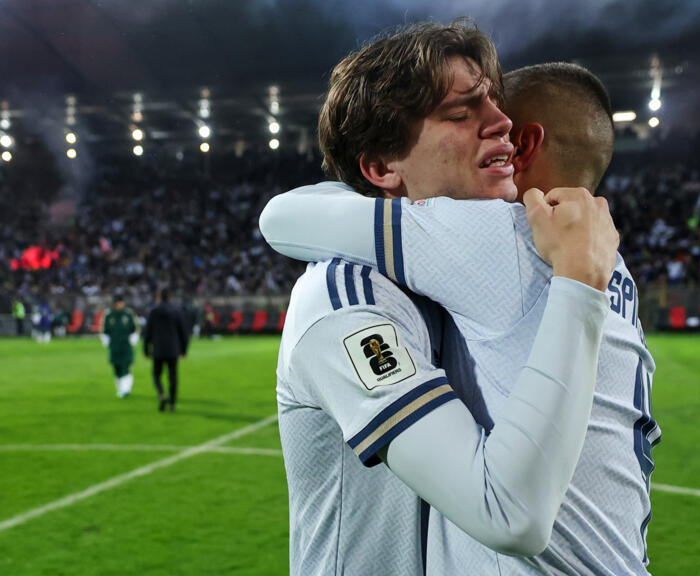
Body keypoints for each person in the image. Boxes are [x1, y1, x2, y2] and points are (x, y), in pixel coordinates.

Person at [261, 46, 658, 576]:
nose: (500, 124)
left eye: (496, 105)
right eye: (461, 112)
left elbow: (282, 216)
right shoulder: (345, 294)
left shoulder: (503, 241)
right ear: (380, 167)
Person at [143, 288, 189, 412]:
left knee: (156, 375)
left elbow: (147, 332)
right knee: (173, 376)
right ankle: (172, 404)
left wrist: (146, 350)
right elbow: (184, 332)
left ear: (159, 297)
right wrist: (184, 350)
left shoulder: (153, 311)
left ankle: (162, 393)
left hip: (158, 349)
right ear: (170, 296)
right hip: (173, 349)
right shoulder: (177, 311)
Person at [101, 293, 139, 398]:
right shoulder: (108, 315)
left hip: (126, 346)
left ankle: (126, 389)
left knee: (126, 367)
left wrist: (133, 340)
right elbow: (105, 331)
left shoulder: (128, 314)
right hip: (114, 346)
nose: (120, 305)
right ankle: (120, 388)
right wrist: (106, 341)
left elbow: (134, 329)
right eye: (118, 303)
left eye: (121, 303)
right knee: (116, 368)